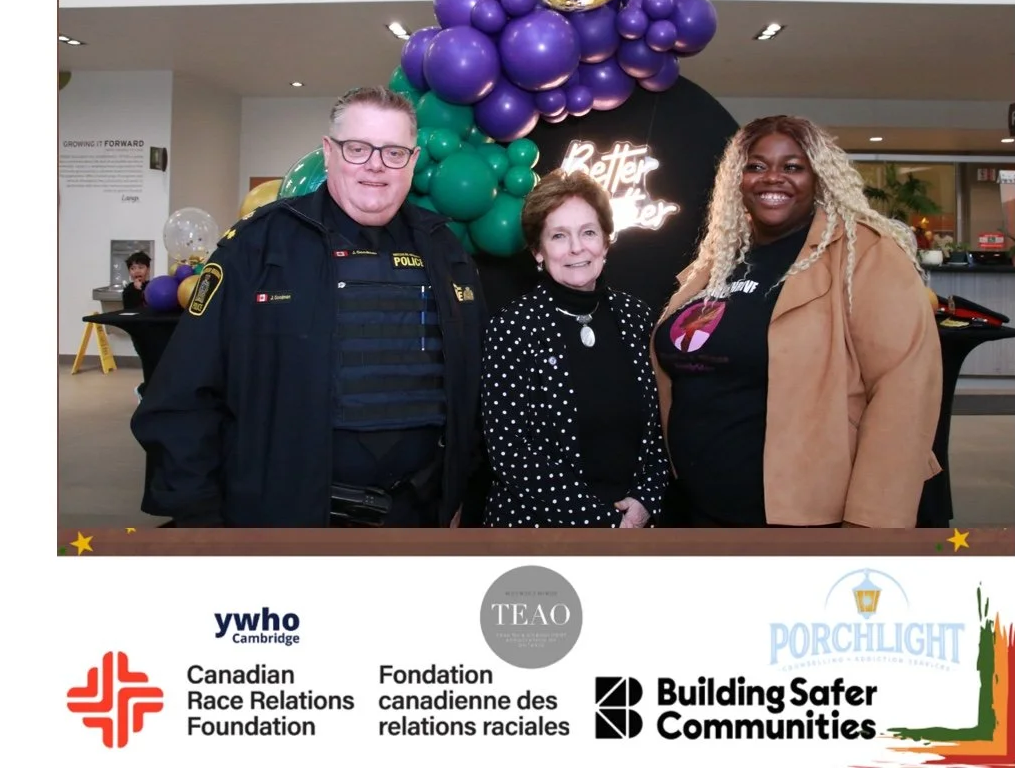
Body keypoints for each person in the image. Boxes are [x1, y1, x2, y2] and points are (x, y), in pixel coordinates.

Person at [131, 86, 488, 528]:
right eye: (358, 149)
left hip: (418, 517)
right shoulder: (257, 248)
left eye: (394, 152)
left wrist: (461, 495)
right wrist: (201, 515)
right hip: (287, 519)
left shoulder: (445, 251)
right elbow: (183, 393)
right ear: (329, 151)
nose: (376, 165)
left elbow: (471, 390)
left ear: (412, 161)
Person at [652, 115, 941, 529]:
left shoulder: (866, 254)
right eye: (756, 165)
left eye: (792, 166)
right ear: (737, 179)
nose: (773, 178)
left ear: (819, 178)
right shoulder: (718, 261)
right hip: (698, 508)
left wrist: (871, 524)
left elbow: (905, 391)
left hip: (807, 518)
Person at [481, 170, 669, 527]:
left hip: (635, 522)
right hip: (540, 529)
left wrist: (645, 501)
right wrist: (602, 521)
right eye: (558, 236)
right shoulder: (512, 327)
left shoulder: (636, 317)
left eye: (588, 232)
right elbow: (510, 451)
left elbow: (661, 427)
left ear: (606, 242)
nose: (576, 248)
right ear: (537, 250)